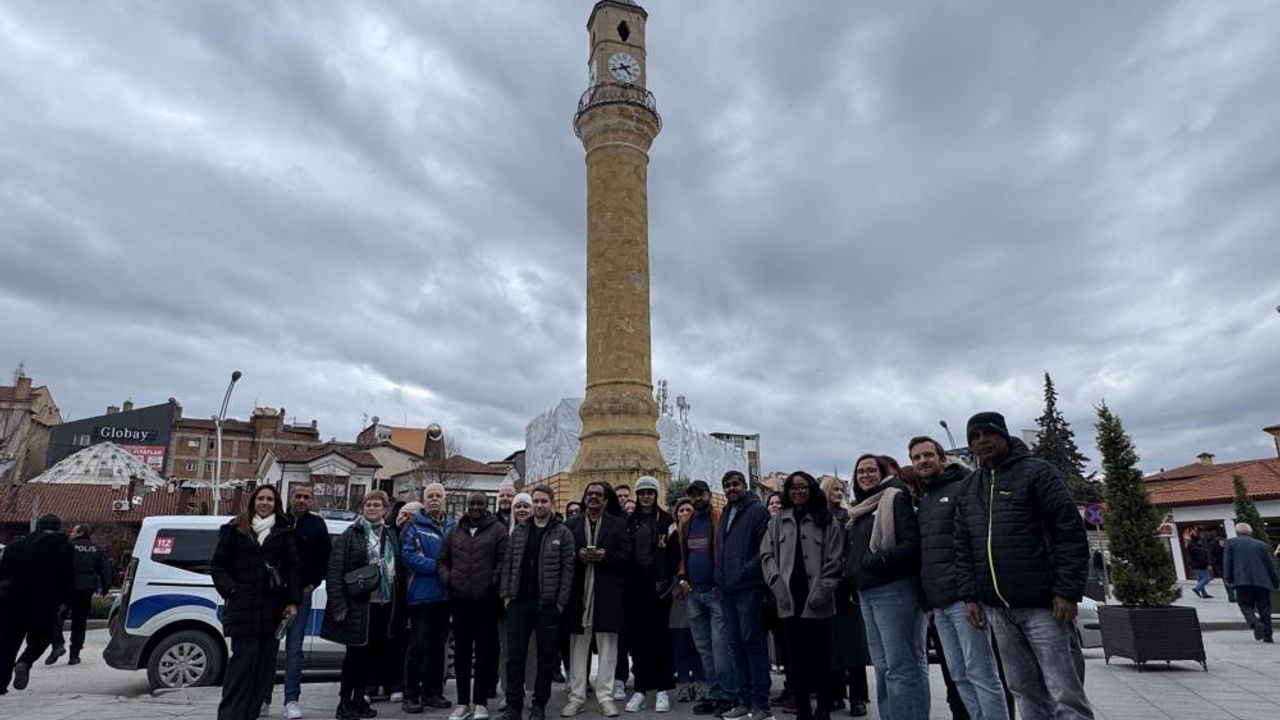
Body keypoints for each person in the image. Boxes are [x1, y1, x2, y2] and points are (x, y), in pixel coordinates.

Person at [954, 412, 1093, 720]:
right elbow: (963, 546)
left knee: (1064, 692)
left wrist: (1067, 591)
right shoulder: (970, 487)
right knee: (1023, 690)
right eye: (975, 437)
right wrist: (969, 596)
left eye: (988, 433)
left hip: (1044, 607)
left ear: (1004, 435)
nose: (982, 441)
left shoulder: (1037, 473)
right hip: (998, 611)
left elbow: (1069, 532)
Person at [911, 436, 1007, 720]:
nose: (922, 461)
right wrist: (928, 602)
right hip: (939, 604)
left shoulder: (964, 487)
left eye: (928, 455)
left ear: (942, 458)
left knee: (981, 673)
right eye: (916, 457)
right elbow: (927, 553)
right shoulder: (926, 498)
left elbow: (974, 544)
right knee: (958, 675)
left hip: (963, 601)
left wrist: (970, 595)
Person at [846, 453, 929, 720]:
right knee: (882, 667)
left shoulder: (895, 497)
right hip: (867, 592)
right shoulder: (862, 508)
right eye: (860, 471)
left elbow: (910, 544)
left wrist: (876, 561)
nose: (865, 475)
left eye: (871, 470)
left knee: (900, 666)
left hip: (893, 590)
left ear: (882, 473)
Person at [211, 485, 302, 720]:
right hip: (242, 608)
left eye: (270, 499)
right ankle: (230, 715)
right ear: (253, 501)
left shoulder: (284, 532)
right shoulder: (234, 529)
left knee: (263, 669)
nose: (265, 502)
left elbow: (293, 570)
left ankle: (250, 714)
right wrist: (232, 590)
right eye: (261, 498)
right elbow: (218, 567)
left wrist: (293, 601)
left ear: (276, 504)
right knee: (241, 666)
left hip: (272, 610)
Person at [760, 472, 842, 720]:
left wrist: (824, 588)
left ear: (811, 489)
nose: (798, 492)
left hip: (817, 599)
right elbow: (766, 554)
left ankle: (824, 708)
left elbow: (835, 558)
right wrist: (775, 582)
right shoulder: (777, 521)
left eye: (803, 487)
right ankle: (802, 710)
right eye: (793, 488)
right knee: (795, 660)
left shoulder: (826, 519)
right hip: (788, 600)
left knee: (821, 657)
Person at [324, 490, 404, 720]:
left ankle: (359, 699)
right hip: (357, 606)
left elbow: (398, 570)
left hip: (383, 606)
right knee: (354, 658)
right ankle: (344, 703)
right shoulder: (351, 534)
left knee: (371, 657)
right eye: (368, 504)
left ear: (385, 509)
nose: (372, 508)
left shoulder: (390, 534)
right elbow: (335, 571)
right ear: (363, 508)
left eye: (377, 505)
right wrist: (339, 605)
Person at [256, 485, 332, 719]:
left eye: (306, 497)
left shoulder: (317, 524)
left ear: (312, 500)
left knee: (295, 650)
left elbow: (325, 559)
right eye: (298, 496)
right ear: (289, 498)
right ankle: (263, 699)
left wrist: (312, 584)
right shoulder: (277, 521)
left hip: (302, 595)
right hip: (274, 595)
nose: (301, 500)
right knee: (269, 649)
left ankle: (291, 700)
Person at [500, 487, 575, 720]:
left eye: (544, 501)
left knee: (546, 658)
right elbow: (508, 565)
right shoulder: (519, 531)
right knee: (514, 658)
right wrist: (506, 596)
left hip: (547, 606)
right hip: (519, 603)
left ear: (552, 504)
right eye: (536, 501)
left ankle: (539, 705)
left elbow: (568, 570)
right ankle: (513, 705)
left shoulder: (563, 533)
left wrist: (560, 603)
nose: (539, 505)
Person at [563, 483, 632, 718]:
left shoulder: (618, 525)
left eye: (598, 494)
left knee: (608, 648)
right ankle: (576, 697)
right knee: (577, 647)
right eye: (589, 493)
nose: (593, 497)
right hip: (578, 595)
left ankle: (605, 697)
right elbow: (563, 557)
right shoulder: (571, 525)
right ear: (584, 497)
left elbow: (627, 558)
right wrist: (578, 555)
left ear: (606, 500)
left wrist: (606, 556)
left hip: (607, 595)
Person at [440, 492, 509, 720]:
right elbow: (442, 560)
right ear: (467, 506)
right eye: (472, 503)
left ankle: (480, 702)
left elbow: (503, 560)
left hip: (486, 602)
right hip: (460, 601)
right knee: (461, 653)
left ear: (487, 506)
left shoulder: (497, 530)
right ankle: (462, 703)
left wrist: (491, 581)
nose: (476, 507)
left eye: (480, 503)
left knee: (483, 653)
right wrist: (449, 580)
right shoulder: (455, 531)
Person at [716, 470, 773, 720]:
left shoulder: (758, 511)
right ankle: (744, 701)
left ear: (744, 485)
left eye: (735, 484)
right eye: (727, 485)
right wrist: (720, 576)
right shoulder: (726, 512)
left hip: (749, 589)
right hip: (727, 590)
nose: (731, 489)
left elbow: (764, 550)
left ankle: (761, 703)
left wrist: (742, 573)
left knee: (753, 645)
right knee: (736, 645)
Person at [622, 476, 680, 713]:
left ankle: (663, 689)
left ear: (656, 495)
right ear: (637, 496)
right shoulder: (629, 522)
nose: (646, 496)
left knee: (660, 638)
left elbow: (675, 553)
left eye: (650, 492)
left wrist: (666, 579)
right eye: (642, 493)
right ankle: (641, 689)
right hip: (635, 586)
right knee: (638, 640)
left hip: (659, 587)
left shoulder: (667, 520)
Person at [675, 480, 732, 717]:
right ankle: (714, 694)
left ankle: (728, 695)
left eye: (701, 494)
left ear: (709, 495)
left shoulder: (719, 518)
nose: (697, 498)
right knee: (705, 650)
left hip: (716, 592)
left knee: (721, 649)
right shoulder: (686, 523)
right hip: (694, 593)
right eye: (693, 495)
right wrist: (682, 577)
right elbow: (683, 554)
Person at [0, 514, 73, 694]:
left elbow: (2, 575)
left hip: (11, 602)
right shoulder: (64, 549)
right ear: (58, 528)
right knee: (42, 637)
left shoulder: (14, 547)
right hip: (45, 603)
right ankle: (25, 662)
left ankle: (0, 684)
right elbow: (68, 578)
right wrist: (66, 602)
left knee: (8, 643)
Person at [402, 483, 456, 712]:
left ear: (444, 499)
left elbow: (459, 555)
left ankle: (433, 692)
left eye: (438, 495)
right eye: (430, 496)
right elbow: (408, 556)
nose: (434, 499)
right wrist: (439, 566)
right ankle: (411, 695)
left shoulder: (453, 526)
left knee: (437, 647)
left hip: (444, 597)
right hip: (421, 596)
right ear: (424, 500)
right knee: (417, 647)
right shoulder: (414, 526)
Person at [819, 477, 869, 719]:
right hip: (824, 588)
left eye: (842, 490)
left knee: (852, 646)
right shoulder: (818, 517)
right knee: (830, 646)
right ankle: (835, 694)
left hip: (846, 587)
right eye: (835, 489)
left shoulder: (848, 517)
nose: (839, 493)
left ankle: (858, 697)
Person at [667, 498, 705, 703]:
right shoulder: (671, 535)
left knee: (698, 641)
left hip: (698, 590)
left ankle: (699, 682)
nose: (684, 513)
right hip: (676, 595)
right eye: (680, 510)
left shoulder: (702, 532)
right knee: (679, 640)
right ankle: (682, 683)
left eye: (688, 509)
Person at [59, 524, 113, 666]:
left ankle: (57, 643)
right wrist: (105, 587)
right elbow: (105, 569)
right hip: (86, 588)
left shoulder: (67, 547)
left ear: (80, 533)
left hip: (67, 587)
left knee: (58, 616)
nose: (71, 533)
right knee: (79, 621)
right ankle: (74, 654)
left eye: (73, 531)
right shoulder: (96, 549)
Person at [1223, 522, 1279, 643]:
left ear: (1237, 532)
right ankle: (1268, 635)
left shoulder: (1231, 543)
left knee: (1245, 604)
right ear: (1251, 532)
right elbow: (1270, 565)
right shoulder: (1262, 545)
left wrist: (1228, 579)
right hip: (1262, 581)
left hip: (1242, 580)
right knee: (1264, 608)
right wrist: (1275, 582)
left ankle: (1255, 623)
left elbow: (1227, 562)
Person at [1185, 528, 1214, 598]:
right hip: (1200, 565)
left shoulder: (1190, 547)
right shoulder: (1195, 547)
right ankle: (1197, 588)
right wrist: (1207, 564)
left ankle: (1204, 594)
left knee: (1200, 580)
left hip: (1195, 566)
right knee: (1207, 578)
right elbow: (1200, 557)